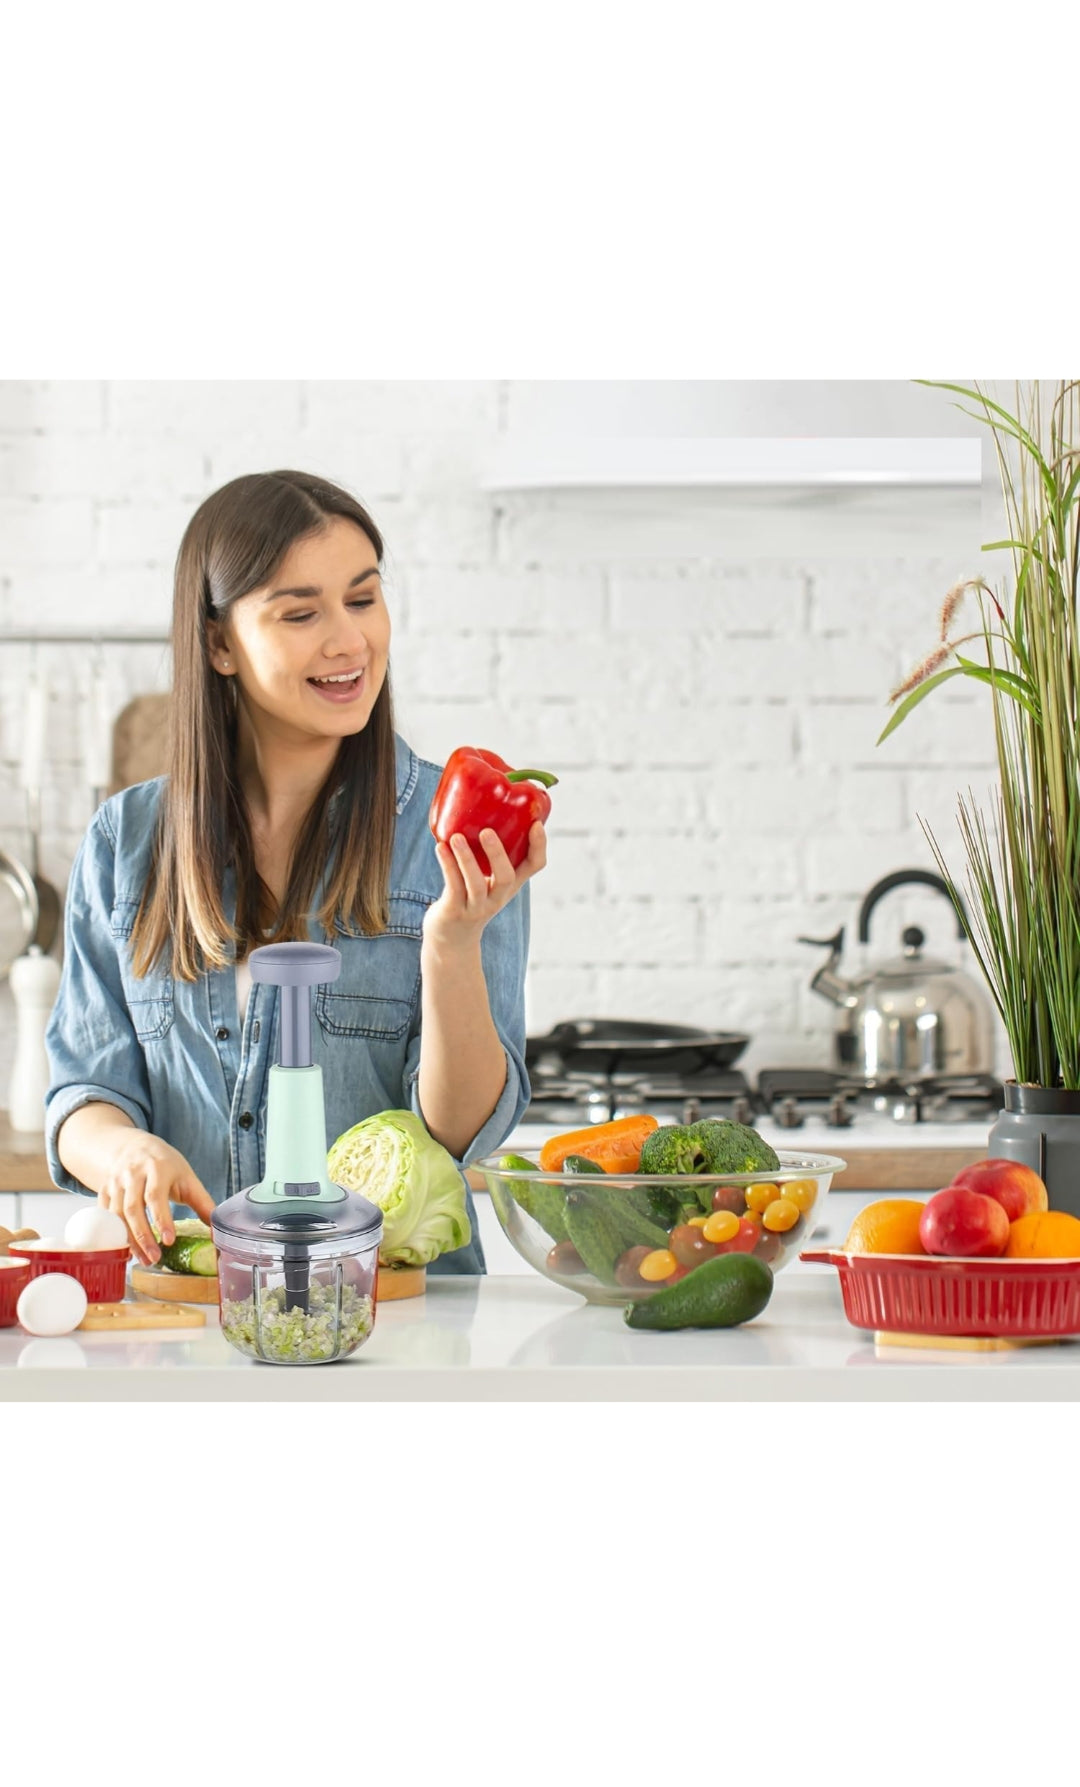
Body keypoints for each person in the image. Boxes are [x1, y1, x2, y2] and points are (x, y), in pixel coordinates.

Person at [44, 470, 545, 1274]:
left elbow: (459, 1132)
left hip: (398, 1322)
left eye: (363, 598)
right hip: (189, 1315)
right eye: (301, 613)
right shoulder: (128, 839)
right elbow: (82, 1092)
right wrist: (123, 1152)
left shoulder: (452, 831)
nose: (348, 641)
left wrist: (452, 942)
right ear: (218, 644)